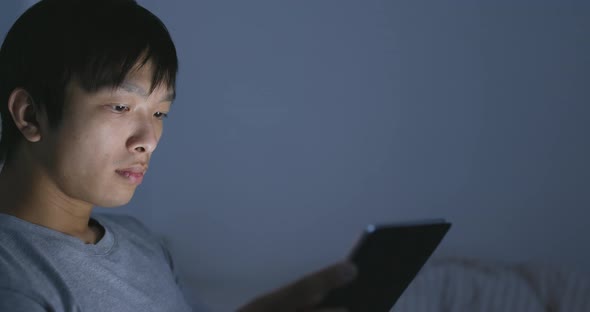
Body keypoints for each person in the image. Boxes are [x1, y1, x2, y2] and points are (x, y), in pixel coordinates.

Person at [0, 0, 357, 311]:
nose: (149, 141)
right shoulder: (15, 282)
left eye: (159, 114)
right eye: (121, 106)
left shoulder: (141, 243)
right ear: (30, 115)